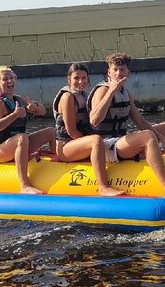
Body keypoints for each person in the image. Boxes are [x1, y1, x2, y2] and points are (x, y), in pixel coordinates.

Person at [87, 52, 165, 204]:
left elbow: (140, 121)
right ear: (109, 72)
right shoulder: (102, 90)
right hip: (105, 147)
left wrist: (162, 138)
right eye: (115, 69)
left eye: (122, 70)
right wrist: (111, 91)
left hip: (119, 142)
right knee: (147, 136)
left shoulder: (125, 93)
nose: (118, 73)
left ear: (128, 73)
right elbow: (94, 120)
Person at [53, 63, 125, 197]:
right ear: (69, 79)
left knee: (100, 141)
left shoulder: (85, 95)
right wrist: (94, 147)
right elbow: (71, 131)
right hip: (66, 148)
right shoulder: (67, 97)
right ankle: (103, 187)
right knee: (96, 140)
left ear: (88, 79)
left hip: (80, 144)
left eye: (84, 78)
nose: (80, 81)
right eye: (76, 78)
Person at [0, 65, 55, 194]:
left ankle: (57, 164)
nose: (9, 81)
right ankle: (24, 185)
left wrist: (34, 108)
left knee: (51, 132)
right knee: (22, 138)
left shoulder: (19, 99)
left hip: (16, 146)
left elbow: (43, 111)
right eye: (5, 79)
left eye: (12, 78)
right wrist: (15, 115)